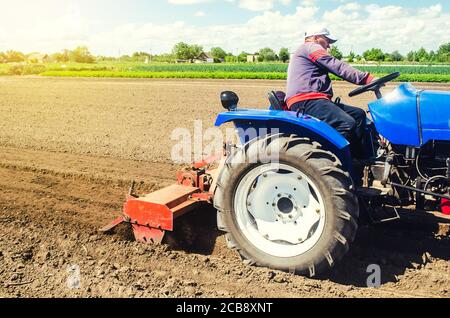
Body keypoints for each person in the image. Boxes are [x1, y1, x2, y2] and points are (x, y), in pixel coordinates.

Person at [286, 28, 375, 159]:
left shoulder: (305, 50)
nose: (329, 45)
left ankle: (361, 160)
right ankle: (333, 161)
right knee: (346, 124)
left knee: (359, 115)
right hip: (306, 100)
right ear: (315, 37)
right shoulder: (310, 47)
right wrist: (367, 79)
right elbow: (337, 66)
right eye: (327, 40)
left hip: (313, 99)